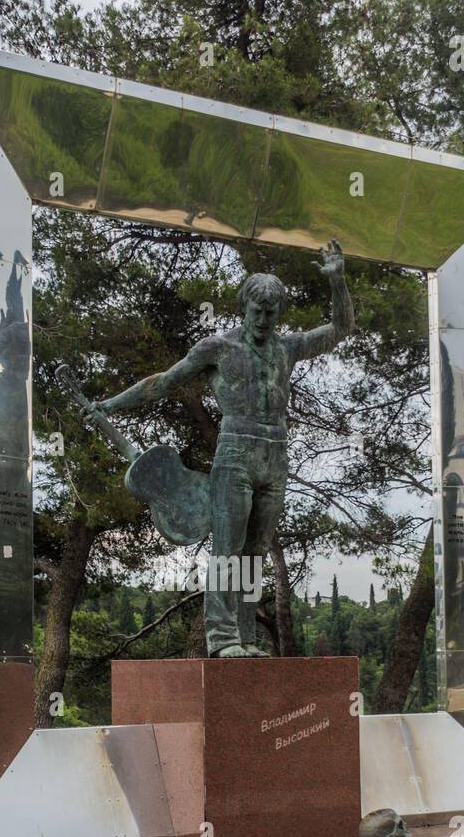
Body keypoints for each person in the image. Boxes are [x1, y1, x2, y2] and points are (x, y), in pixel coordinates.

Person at [92, 239, 354, 656]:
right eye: (257, 311)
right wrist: (111, 404)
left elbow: (341, 330)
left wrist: (338, 281)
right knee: (228, 548)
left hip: (276, 453)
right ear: (243, 307)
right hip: (235, 453)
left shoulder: (288, 347)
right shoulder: (218, 348)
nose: (265, 319)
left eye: (272, 312)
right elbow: (162, 382)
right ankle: (222, 638)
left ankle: (246, 638)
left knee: (254, 553)